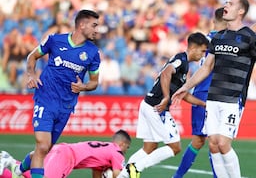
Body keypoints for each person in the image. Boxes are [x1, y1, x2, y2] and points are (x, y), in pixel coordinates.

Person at [172, 0, 256, 178]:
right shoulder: (217, 38)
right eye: (225, 3)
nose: (225, 5)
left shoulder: (248, 37)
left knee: (221, 143)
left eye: (230, 3)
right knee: (212, 143)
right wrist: (185, 87)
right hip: (210, 96)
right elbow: (207, 67)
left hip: (232, 98)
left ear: (240, 11)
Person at [17, 9, 101, 178]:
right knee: (42, 146)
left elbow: (94, 82)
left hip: (66, 106)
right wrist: (31, 75)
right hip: (46, 99)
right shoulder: (55, 40)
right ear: (82, 24)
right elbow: (32, 56)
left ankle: (16, 170)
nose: (96, 30)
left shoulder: (93, 53)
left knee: (45, 149)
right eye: (94, 25)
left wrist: (83, 87)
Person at [118, 32, 209, 178]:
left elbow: (183, 93)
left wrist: (203, 104)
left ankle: (121, 175)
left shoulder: (183, 64)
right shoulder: (181, 60)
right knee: (174, 147)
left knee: (149, 147)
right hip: (157, 108)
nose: (203, 55)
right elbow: (166, 73)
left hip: (148, 105)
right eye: (203, 51)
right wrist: (166, 97)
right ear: (194, 48)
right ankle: (136, 167)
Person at [0, 129, 131, 178]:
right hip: (66, 157)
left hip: (63, 151)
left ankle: (13, 163)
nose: (126, 151)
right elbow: (117, 175)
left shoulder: (104, 150)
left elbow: (96, 174)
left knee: (38, 171)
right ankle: (9, 165)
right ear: (122, 144)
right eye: (127, 147)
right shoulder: (117, 151)